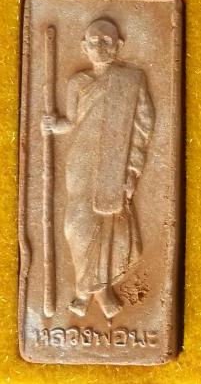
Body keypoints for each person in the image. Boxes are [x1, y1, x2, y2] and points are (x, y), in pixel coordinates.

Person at [41, 18, 155, 319]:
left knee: (111, 225)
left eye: (107, 41)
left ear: (119, 45)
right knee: (75, 226)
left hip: (114, 164)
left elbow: (143, 126)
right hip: (80, 163)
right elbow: (70, 122)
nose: (100, 46)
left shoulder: (132, 80)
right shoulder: (77, 82)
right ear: (84, 47)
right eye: (93, 42)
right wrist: (52, 125)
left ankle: (93, 293)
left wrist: (131, 170)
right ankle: (88, 289)